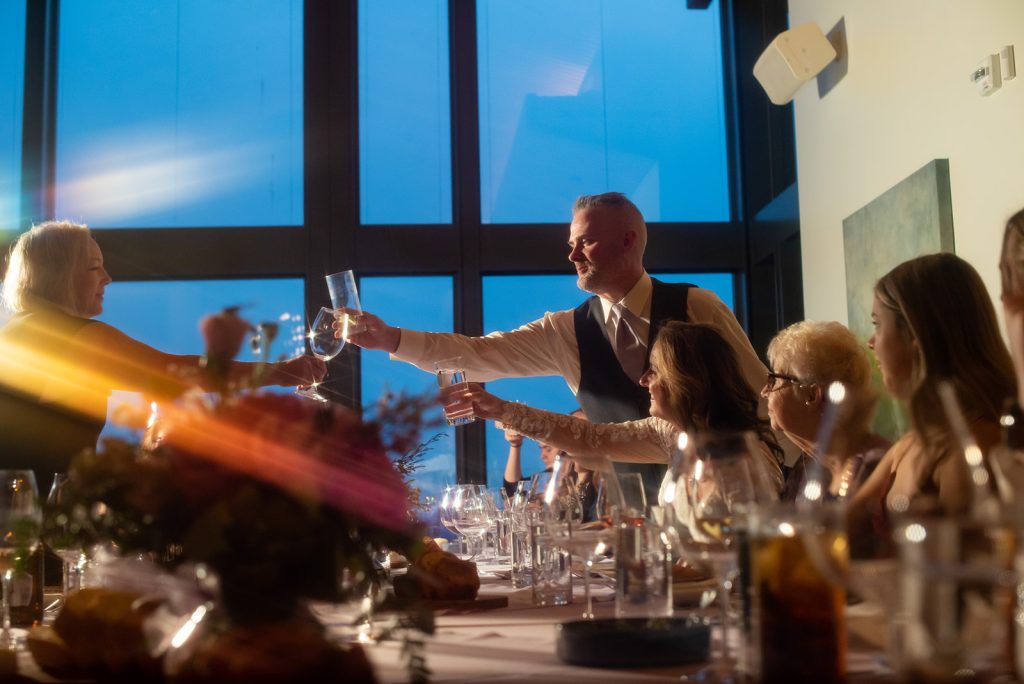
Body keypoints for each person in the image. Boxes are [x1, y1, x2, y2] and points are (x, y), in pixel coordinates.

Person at [349, 192, 768, 499]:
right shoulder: (566, 331)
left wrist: (773, 480)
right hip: (625, 521)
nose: (572, 255)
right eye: (570, 244)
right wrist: (391, 339)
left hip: (730, 504)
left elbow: (760, 399)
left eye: (583, 242)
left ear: (628, 241)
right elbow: (475, 355)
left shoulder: (697, 306)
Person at [0, 221, 326, 485]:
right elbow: (172, 373)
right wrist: (283, 372)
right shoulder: (68, 336)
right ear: (60, 275)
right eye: (93, 268)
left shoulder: (18, 332)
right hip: (31, 520)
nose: (107, 279)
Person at [442, 322, 785, 501]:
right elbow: (590, 437)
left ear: (687, 381)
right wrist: (501, 409)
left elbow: (751, 553)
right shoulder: (670, 433)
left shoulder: (746, 457)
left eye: (655, 370)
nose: (643, 379)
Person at [847, 253, 1015, 553]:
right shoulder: (913, 441)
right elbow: (835, 532)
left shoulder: (973, 449)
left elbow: (963, 582)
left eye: (877, 325)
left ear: (916, 335)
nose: (871, 343)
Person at [763, 320, 891, 500]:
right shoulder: (806, 467)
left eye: (774, 379)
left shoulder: (870, 468)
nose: (764, 391)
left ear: (812, 396)